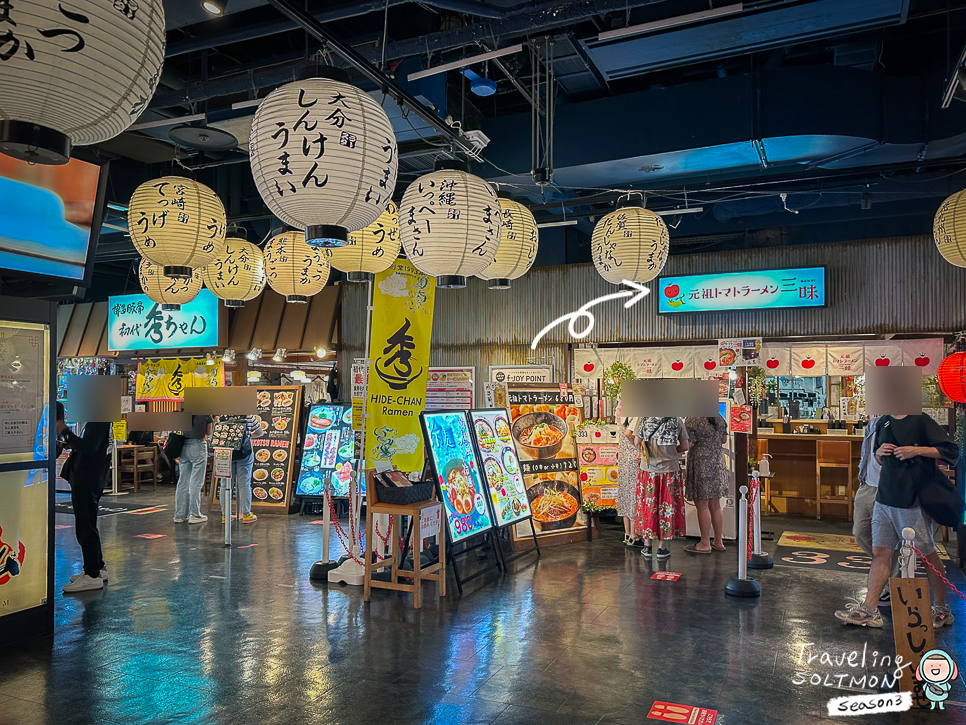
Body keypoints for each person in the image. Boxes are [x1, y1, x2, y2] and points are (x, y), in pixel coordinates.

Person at [835, 413, 958, 629]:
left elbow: (951, 451)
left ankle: (941, 606)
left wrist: (916, 450)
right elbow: (879, 456)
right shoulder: (883, 422)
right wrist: (880, 453)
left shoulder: (921, 420)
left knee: (926, 553)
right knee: (880, 553)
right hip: (884, 498)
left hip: (912, 499)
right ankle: (869, 608)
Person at [56, 402, 111, 593]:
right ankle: (97, 567)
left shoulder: (99, 418)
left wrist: (65, 432)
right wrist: (73, 441)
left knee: (85, 526)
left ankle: (92, 574)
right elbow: (91, 445)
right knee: (89, 524)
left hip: (87, 477)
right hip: (93, 476)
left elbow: (89, 447)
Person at [634, 417, 690, 561]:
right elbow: (685, 446)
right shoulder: (676, 420)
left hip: (648, 470)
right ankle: (662, 548)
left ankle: (647, 546)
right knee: (666, 507)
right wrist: (671, 452)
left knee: (648, 506)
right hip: (669, 470)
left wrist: (646, 451)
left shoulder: (644, 418)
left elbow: (637, 442)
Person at [683, 415, 729, 554]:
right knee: (715, 504)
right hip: (717, 461)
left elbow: (687, 444)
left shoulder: (693, 419)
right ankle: (718, 541)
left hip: (700, 463)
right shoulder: (718, 417)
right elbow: (723, 439)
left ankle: (704, 543)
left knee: (702, 505)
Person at [219, 414, 262, 524]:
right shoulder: (248, 417)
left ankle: (225, 515)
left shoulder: (223, 418)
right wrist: (248, 436)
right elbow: (260, 432)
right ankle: (246, 514)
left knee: (225, 484)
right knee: (244, 484)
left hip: (226, 453)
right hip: (244, 453)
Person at [174, 414, 212, 524]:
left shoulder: (184, 411)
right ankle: (195, 514)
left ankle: (179, 515)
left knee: (183, 482)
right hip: (198, 445)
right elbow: (208, 432)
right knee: (196, 482)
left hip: (183, 446)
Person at [616, 416, 642, 547]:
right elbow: (628, 434)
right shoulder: (638, 417)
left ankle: (627, 534)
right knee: (634, 497)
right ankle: (634, 535)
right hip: (633, 462)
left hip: (624, 462)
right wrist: (638, 448)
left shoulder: (625, 418)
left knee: (626, 496)